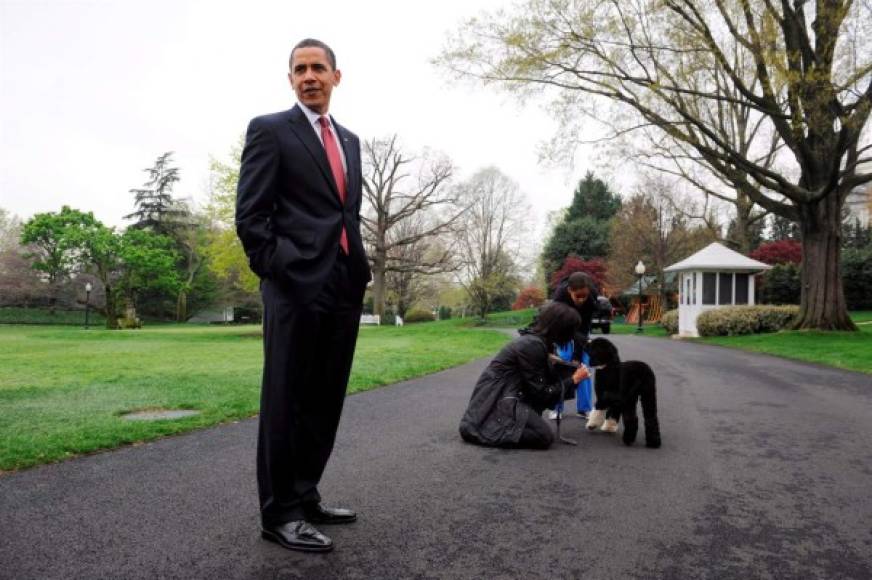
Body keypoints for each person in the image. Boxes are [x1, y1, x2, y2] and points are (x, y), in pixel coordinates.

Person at [235, 38, 371, 554]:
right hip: (294, 286)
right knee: (287, 399)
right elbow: (251, 216)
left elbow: (344, 213)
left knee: (324, 397)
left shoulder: (350, 140)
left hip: (342, 283)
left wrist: (357, 267)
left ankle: (305, 494)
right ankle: (279, 514)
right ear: (290, 79)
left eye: (318, 68)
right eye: (299, 69)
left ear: (337, 76)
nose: (309, 76)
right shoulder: (270, 130)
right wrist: (281, 269)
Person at [459, 302, 590, 449]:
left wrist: (560, 366)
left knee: (536, 429)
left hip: (503, 396)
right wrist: (575, 379)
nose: (572, 336)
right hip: (498, 400)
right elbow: (542, 393)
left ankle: (495, 425)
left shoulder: (536, 340)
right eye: (571, 330)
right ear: (560, 329)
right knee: (543, 436)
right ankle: (483, 428)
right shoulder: (532, 345)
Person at [543, 272, 599, 420]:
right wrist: (571, 357)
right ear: (570, 291)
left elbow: (583, 329)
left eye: (584, 296)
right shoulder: (560, 296)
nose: (581, 300)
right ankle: (556, 407)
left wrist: (578, 356)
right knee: (563, 361)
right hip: (564, 327)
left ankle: (584, 409)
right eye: (577, 296)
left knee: (584, 365)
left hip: (582, 327)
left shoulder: (591, 297)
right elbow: (558, 325)